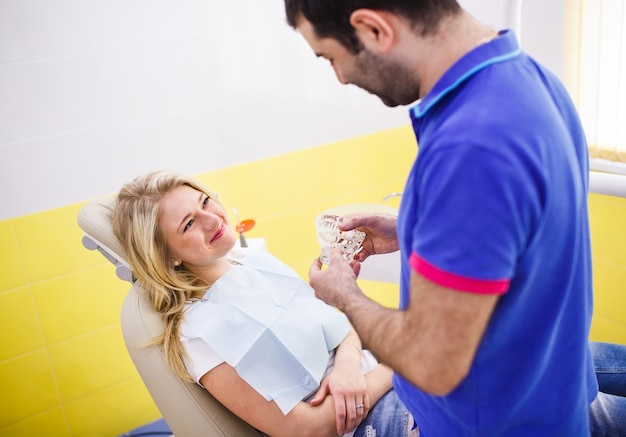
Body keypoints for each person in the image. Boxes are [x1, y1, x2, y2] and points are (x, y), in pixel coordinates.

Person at [284, 0, 601, 435]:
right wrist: (410, 229)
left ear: (373, 29)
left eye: (332, 57)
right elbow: (526, 231)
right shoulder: (530, 79)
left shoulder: (469, 146)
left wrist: (344, 295)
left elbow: (431, 363)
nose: (340, 77)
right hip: (548, 400)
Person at [110, 170, 413, 437]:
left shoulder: (251, 260)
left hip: (375, 380)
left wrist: (348, 368)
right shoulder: (196, 334)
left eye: (204, 202)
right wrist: (400, 365)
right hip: (359, 420)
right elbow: (307, 430)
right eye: (189, 224)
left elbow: (341, 328)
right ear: (166, 256)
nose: (213, 219)